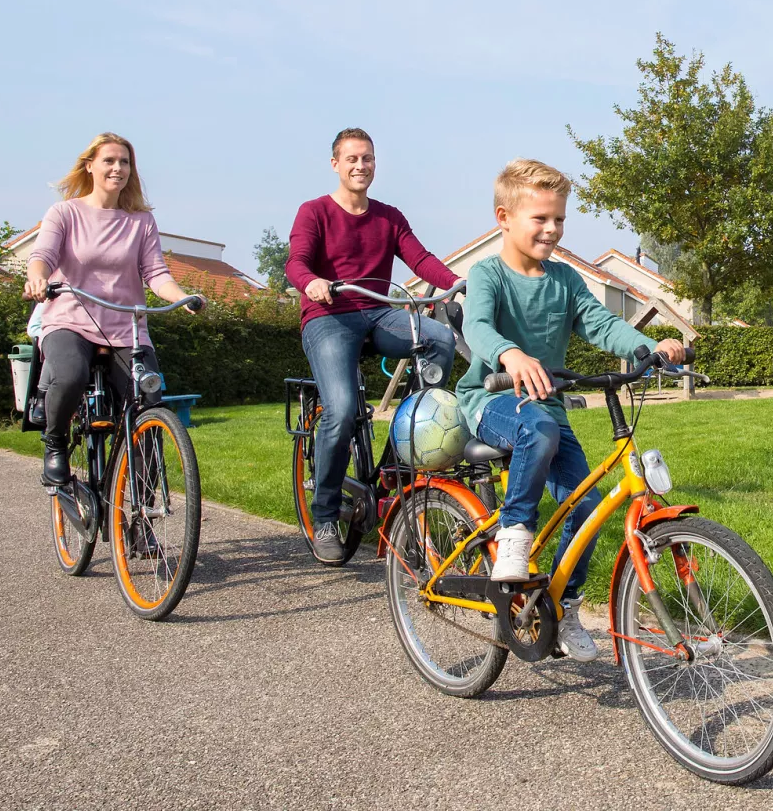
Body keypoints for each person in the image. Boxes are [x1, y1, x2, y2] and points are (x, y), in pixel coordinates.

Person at [456, 159, 686, 662]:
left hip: (546, 407)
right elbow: (475, 327)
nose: (552, 229)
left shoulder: (564, 280)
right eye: (540, 218)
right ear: (504, 218)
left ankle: (563, 607)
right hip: (491, 399)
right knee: (536, 426)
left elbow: (602, 324)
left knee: (585, 507)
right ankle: (516, 534)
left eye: (559, 219)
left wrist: (650, 348)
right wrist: (510, 355)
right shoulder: (487, 274)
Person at [286, 127, 460, 566]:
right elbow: (297, 261)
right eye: (352, 159)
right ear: (335, 165)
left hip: (380, 313)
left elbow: (419, 259)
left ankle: (396, 457)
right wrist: (312, 283)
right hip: (329, 317)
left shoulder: (388, 216)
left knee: (437, 337)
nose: (360, 166)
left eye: (367, 159)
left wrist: (457, 282)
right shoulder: (315, 212)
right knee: (341, 410)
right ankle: (325, 515)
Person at [22, 133, 203, 488]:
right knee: (71, 374)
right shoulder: (65, 213)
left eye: (124, 162)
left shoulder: (141, 221)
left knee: (148, 403)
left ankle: (141, 513)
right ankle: (55, 444)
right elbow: (41, 257)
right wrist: (38, 280)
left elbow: (155, 273)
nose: (118, 168)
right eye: (109, 160)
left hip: (125, 327)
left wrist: (182, 297)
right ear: (89, 165)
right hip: (70, 319)